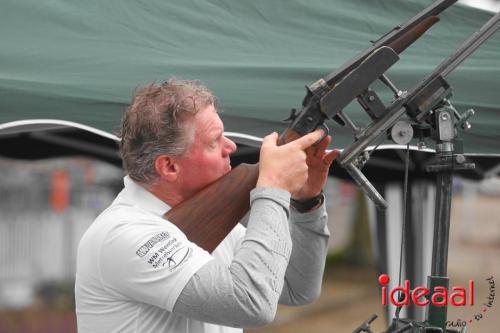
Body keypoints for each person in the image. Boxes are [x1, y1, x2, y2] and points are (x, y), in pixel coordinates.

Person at [75, 79, 338, 333]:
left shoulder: (213, 222)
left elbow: (297, 286)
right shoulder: (122, 234)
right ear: (169, 166)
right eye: (215, 141)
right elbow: (252, 303)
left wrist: (306, 202)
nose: (231, 146)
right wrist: (273, 188)